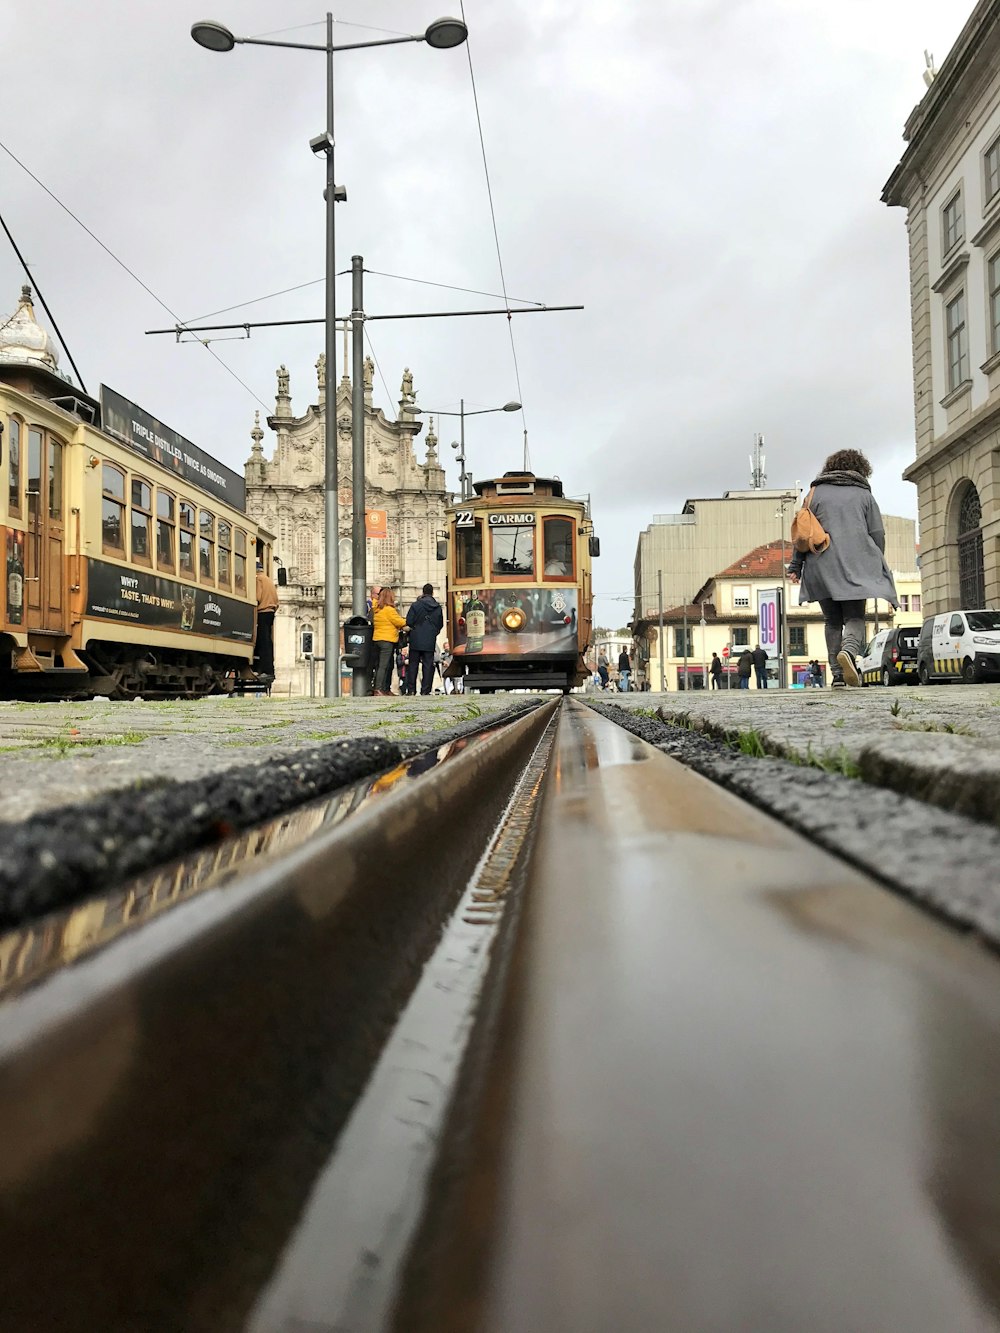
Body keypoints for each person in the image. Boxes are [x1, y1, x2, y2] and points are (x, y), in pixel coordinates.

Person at [788, 448, 898, 688]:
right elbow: (877, 533)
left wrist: (796, 565)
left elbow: (803, 532)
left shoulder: (814, 493)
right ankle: (848, 652)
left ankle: (837, 675)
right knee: (855, 616)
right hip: (855, 564)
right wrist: (876, 561)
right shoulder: (863, 494)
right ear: (860, 469)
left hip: (820, 564)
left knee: (832, 620)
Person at [405, 582, 445, 696]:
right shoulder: (437, 607)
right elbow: (440, 624)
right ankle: (425, 690)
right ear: (432, 592)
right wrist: (433, 632)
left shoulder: (416, 605)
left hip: (416, 638)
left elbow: (409, 621)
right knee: (428, 664)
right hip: (429, 639)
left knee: (413, 664)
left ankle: (411, 690)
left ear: (423, 592)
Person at [371, 587, 407, 696]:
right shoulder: (389, 610)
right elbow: (399, 622)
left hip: (377, 639)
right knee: (384, 665)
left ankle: (384, 688)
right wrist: (408, 621)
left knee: (381, 665)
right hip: (387, 640)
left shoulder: (377, 609)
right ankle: (378, 689)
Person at [253, 559, 278, 681]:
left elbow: (257, 597)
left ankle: (265, 670)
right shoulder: (269, 580)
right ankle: (268, 669)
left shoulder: (258, 579)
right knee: (267, 641)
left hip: (262, 612)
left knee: (263, 642)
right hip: (271, 612)